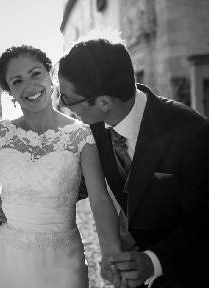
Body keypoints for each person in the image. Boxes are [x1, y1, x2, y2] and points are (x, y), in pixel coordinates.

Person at [0, 45, 122, 288]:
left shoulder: (81, 135)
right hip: (8, 258)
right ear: (9, 91)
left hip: (62, 260)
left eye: (35, 74)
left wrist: (110, 254)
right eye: (17, 81)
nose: (30, 86)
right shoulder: (2, 132)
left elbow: (100, 200)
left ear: (50, 75)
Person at [57, 30, 209, 288]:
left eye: (67, 99)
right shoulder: (94, 125)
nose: (63, 105)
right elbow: (82, 181)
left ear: (103, 102)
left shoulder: (191, 133)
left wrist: (152, 261)